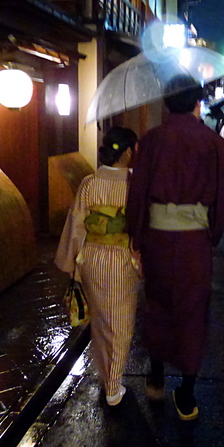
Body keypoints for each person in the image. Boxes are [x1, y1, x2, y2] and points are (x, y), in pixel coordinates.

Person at [126, 75, 224, 421]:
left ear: (166, 102)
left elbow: (138, 190)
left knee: (157, 304)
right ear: (198, 102)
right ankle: (186, 392)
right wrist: (212, 235)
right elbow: (221, 197)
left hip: (157, 236)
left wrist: (136, 236)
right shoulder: (214, 143)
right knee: (192, 310)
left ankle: (156, 377)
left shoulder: (152, 140)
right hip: (193, 241)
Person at [54, 126, 141, 406]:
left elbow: (77, 223)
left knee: (101, 322)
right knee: (121, 323)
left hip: (91, 257)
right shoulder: (134, 184)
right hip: (121, 258)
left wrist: (72, 263)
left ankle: (108, 378)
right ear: (128, 152)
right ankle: (113, 386)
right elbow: (141, 226)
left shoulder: (90, 182)